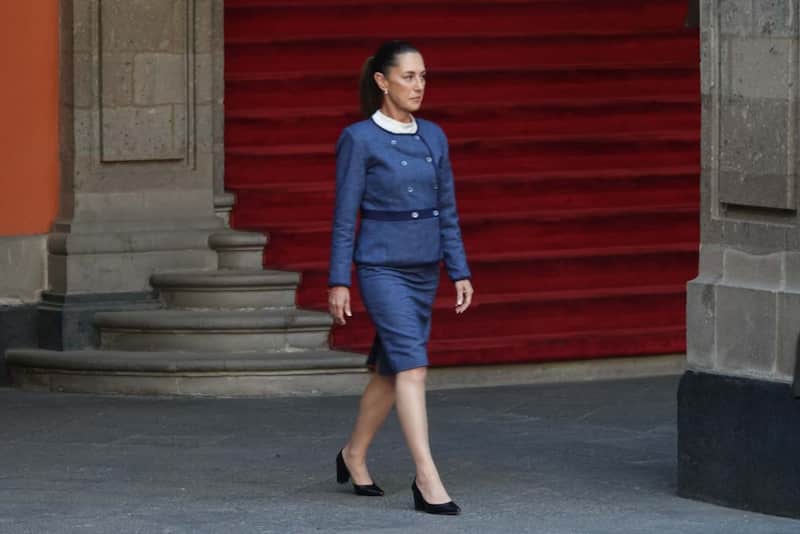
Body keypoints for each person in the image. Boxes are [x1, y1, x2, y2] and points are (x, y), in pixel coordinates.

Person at [327, 40, 474, 515]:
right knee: (413, 365)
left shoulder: (434, 135)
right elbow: (345, 216)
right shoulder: (359, 138)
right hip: (381, 267)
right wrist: (338, 280)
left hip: (423, 268)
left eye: (424, 76)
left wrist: (459, 268)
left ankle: (353, 455)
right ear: (382, 81)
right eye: (409, 76)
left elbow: (447, 210)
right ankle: (427, 478)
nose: (418, 85)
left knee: (392, 372)